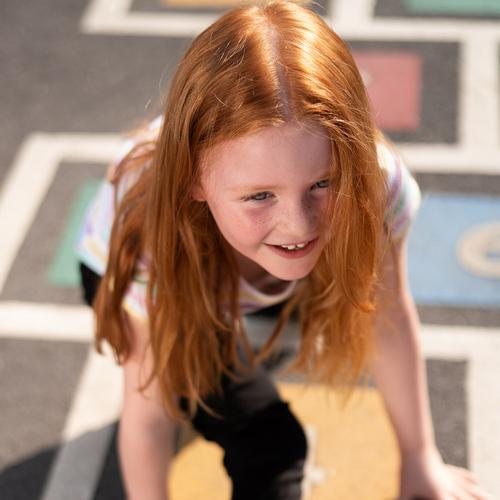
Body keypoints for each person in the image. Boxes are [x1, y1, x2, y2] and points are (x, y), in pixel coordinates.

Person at [75, 1, 492, 498]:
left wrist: (420, 455)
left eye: (323, 183)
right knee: (273, 446)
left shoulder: (375, 186)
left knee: (320, 280)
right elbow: (149, 419)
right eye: (260, 196)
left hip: (251, 267)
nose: (299, 223)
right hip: (151, 267)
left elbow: (387, 316)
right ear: (194, 182)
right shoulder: (151, 237)